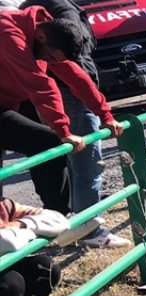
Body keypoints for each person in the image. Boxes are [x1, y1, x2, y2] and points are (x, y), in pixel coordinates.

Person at [18, 0, 130, 248]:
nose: (50, 61)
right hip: (45, 98)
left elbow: (70, 68)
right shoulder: (22, 27)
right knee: (80, 159)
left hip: (25, 99)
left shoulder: (42, 23)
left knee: (53, 153)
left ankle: (69, 225)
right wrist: (64, 128)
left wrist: (105, 113)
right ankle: (84, 228)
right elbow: (46, 80)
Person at [0, 197, 66, 296]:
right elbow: (6, 243)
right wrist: (32, 232)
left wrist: (20, 224)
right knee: (11, 283)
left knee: (47, 269)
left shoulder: (5, 205)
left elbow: (59, 220)